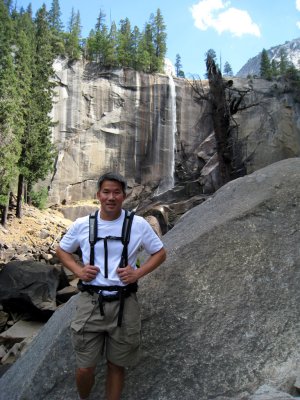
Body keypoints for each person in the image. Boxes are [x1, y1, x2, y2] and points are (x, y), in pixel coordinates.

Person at [56, 172, 166, 400]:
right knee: (85, 367)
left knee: (117, 365)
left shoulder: (137, 225)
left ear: (124, 196)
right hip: (90, 303)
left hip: (125, 303)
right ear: (98, 195)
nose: (111, 197)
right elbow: (62, 250)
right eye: (106, 192)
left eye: (116, 192)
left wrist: (137, 273)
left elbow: (160, 253)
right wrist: (78, 271)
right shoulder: (82, 225)